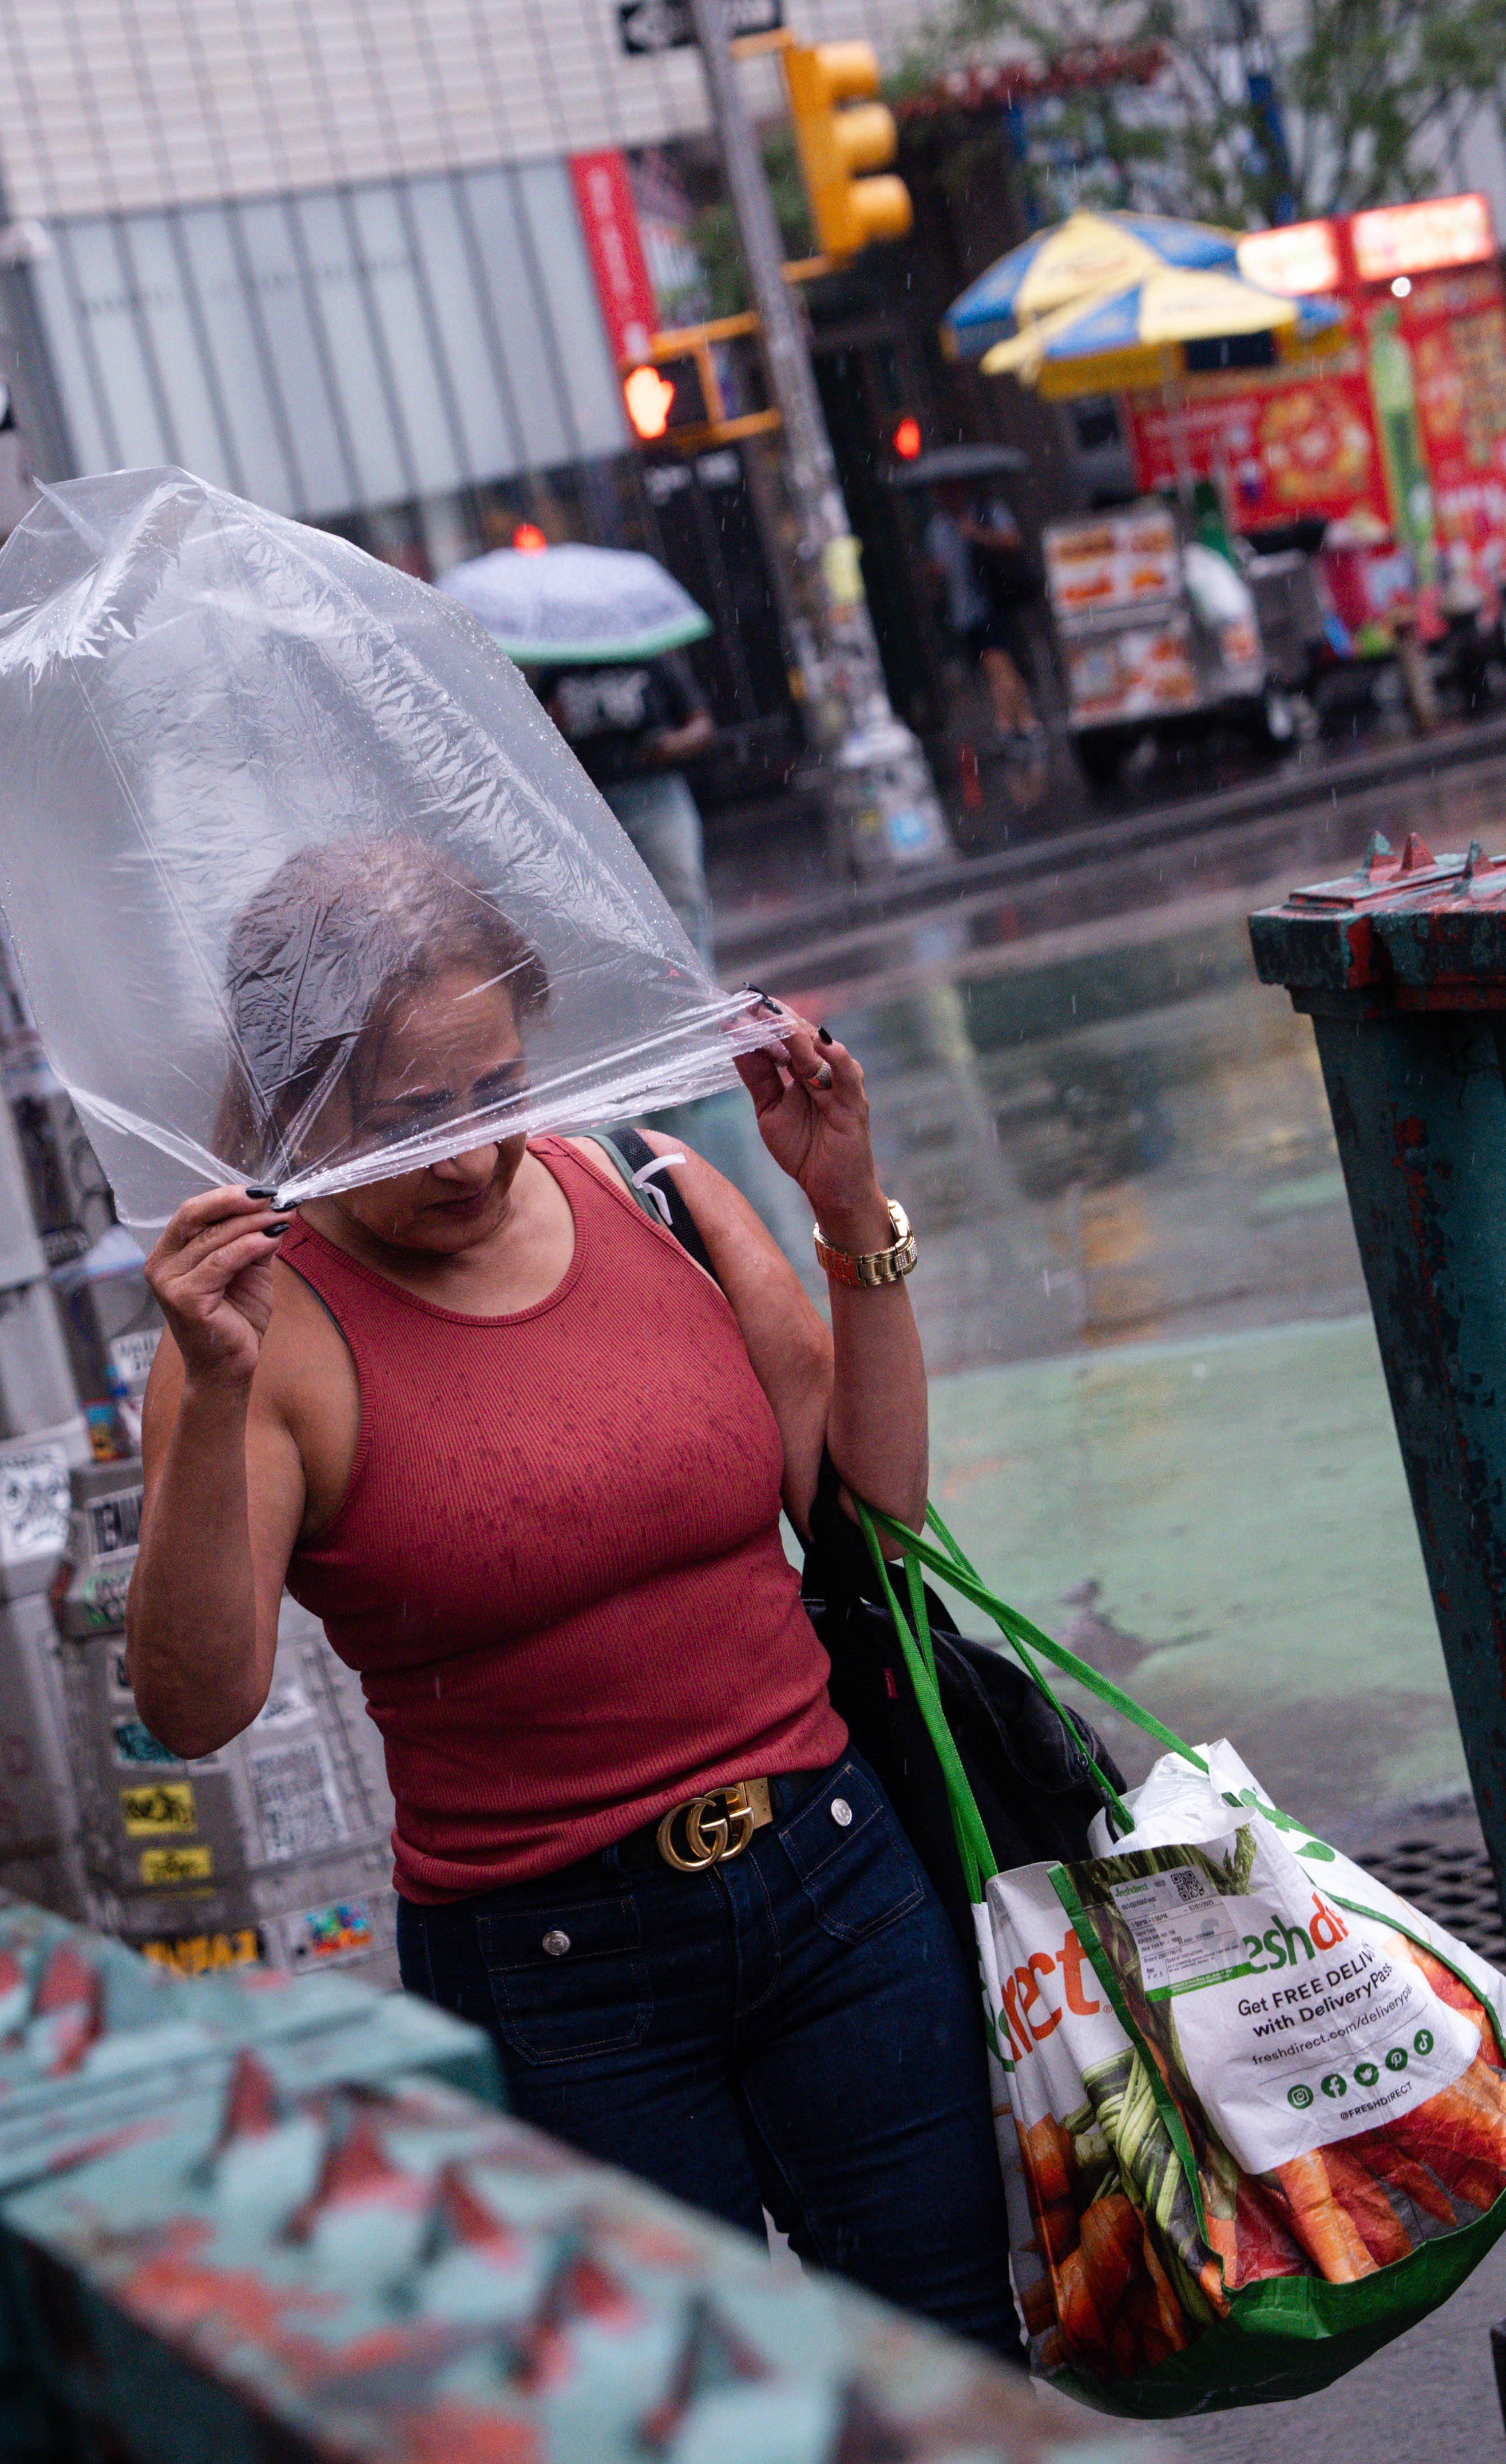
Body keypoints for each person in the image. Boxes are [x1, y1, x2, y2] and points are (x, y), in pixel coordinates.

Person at [127, 835, 1018, 2359]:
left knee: (959, 2373)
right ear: (295, 1104)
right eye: (409, 1122)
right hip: (554, 1968)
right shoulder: (259, 1338)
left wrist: (853, 1214)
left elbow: (873, 1525)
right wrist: (211, 1397)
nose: (472, 1155)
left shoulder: (650, 1192)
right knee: (698, 2446)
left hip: (839, 1886)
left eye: (498, 1093)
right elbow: (197, 1706)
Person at [535, 653, 715, 952]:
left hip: (655, 794)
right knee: (602, 911)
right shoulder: (559, 667)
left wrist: (672, 745)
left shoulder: (649, 658)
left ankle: (701, 989)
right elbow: (533, 728)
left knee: (680, 897)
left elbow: (701, 724)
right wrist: (552, 721)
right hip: (588, 802)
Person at [922, 483, 1046, 748]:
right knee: (998, 666)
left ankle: (1005, 722)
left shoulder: (986, 511)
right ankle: (1026, 720)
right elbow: (939, 571)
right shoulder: (938, 528)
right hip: (963, 610)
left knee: (996, 662)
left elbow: (1013, 540)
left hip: (992, 601)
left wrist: (978, 534)